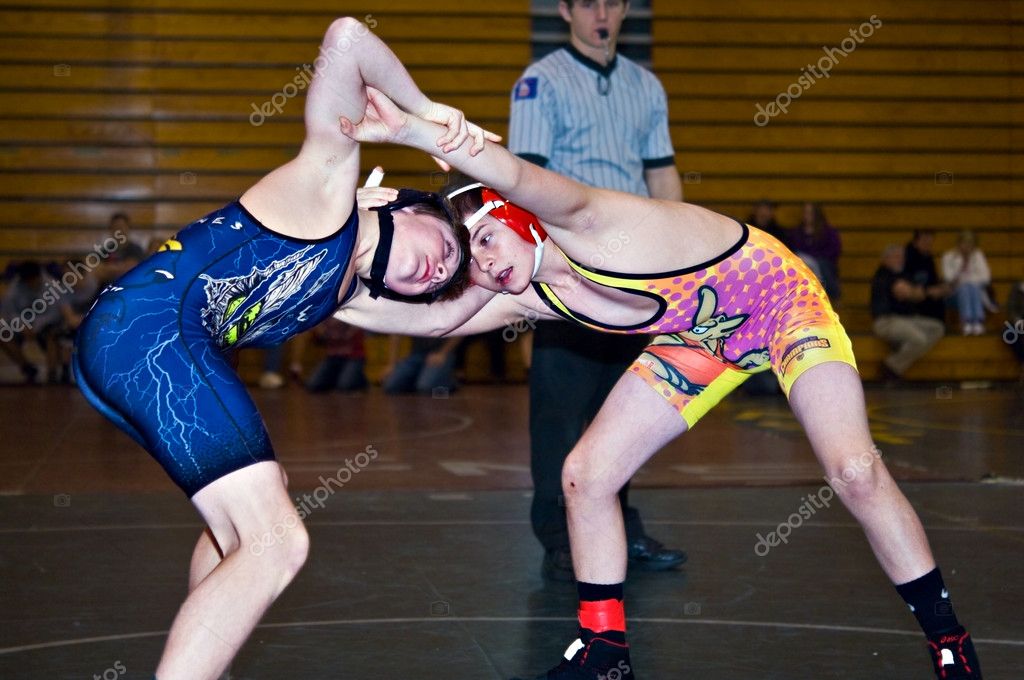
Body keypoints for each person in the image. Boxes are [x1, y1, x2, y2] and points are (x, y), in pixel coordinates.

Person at [337, 86, 984, 679]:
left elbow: (519, 176)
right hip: (700, 337)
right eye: (471, 256)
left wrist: (418, 131)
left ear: (521, 216)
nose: (484, 262)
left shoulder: (592, 224)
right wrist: (328, 285)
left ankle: (949, 641)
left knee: (853, 471)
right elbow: (432, 322)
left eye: (486, 238)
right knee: (585, 475)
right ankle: (604, 652)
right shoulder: (529, 291)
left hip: (780, 305)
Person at [72, 18, 493, 680]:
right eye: (440, 248)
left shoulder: (348, 294)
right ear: (395, 203)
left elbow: (451, 321)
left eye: (437, 280)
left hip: (134, 348)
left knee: (242, 530)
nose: (433, 272)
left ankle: (203, 662)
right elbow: (349, 37)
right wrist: (427, 113)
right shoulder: (324, 190)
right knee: (276, 540)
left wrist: (561, 288)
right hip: (147, 335)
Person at [509, 0, 685, 581]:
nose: (601, 13)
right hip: (570, 270)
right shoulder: (540, 83)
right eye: (588, 3)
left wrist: (681, 260)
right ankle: (560, 535)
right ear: (565, 10)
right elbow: (523, 180)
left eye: (612, 1)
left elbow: (661, 175)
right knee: (560, 415)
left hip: (636, 277)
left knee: (625, 412)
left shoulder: (646, 86)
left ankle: (618, 529)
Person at [871, 245, 945, 380]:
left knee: (937, 328)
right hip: (887, 320)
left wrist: (919, 292)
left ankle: (899, 355)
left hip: (906, 319)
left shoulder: (904, 275)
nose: (901, 260)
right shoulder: (883, 275)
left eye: (902, 257)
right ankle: (890, 367)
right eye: (897, 257)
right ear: (886, 259)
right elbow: (906, 292)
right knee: (919, 339)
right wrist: (925, 292)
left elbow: (917, 294)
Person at [1, 261, 64, 383]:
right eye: (28, 282)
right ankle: (27, 368)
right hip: (22, 326)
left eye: (34, 281)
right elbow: (8, 312)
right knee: (3, 335)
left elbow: (55, 314)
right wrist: (21, 324)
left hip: (45, 325)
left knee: (53, 333)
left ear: (39, 276)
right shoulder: (13, 289)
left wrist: (35, 326)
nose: (31, 284)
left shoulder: (52, 287)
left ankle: (52, 373)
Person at [941, 230, 993, 335]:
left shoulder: (978, 256)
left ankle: (977, 322)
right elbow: (949, 278)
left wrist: (967, 281)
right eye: (964, 243)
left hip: (974, 292)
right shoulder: (948, 257)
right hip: (953, 294)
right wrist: (962, 266)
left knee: (971, 287)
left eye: (970, 243)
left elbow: (986, 277)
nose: (967, 246)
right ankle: (967, 321)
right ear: (958, 243)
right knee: (965, 287)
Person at [789, 202, 842, 301]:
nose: (807, 216)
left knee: (821, 265)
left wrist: (815, 259)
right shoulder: (797, 233)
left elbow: (834, 250)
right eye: (805, 213)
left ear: (816, 214)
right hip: (804, 266)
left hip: (822, 267)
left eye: (810, 213)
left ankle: (827, 293)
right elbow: (793, 251)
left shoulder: (828, 232)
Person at [305, 317, 369, 392]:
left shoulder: (352, 313)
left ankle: (359, 379)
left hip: (353, 356)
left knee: (345, 386)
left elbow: (354, 332)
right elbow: (319, 338)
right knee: (313, 385)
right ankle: (338, 378)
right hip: (332, 356)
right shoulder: (324, 313)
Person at [382, 335, 461, 394]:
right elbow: (396, 332)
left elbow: (460, 329)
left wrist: (443, 353)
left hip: (440, 353)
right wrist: (391, 364)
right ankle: (422, 379)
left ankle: (450, 382)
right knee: (391, 386)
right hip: (417, 354)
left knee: (426, 388)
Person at [904, 229, 951, 323]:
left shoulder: (928, 257)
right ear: (915, 242)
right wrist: (928, 290)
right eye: (925, 241)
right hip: (911, 296)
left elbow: (933, 278)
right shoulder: (906, 256)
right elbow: (905, 281)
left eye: (930, 242)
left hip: (927, 293)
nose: (928, 244)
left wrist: (941, 287)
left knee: (940, 295)